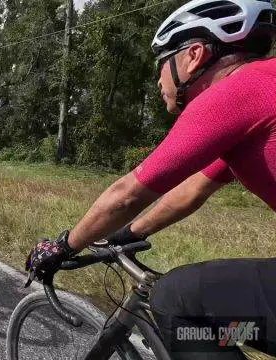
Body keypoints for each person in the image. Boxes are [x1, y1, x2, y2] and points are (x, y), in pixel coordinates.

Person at [25, 0, 276, 358]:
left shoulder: (233, 92)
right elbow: (194, 189)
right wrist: (129, 233)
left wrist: (62, 247)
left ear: (193, 55)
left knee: (176, 301)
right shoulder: (263, 87)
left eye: (162, 62)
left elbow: (128, 194)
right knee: (224, 323)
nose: (158, 79)